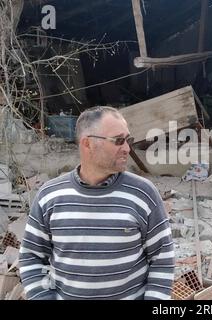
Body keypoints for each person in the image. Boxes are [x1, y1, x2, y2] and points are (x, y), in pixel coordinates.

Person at [19, 106, 175, 300]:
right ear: (87, 144)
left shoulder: (143, 194)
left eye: (128, 140)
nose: (127, 148)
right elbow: (31, 257)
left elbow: (162, 259)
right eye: (118, 140)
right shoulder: (50, 196)